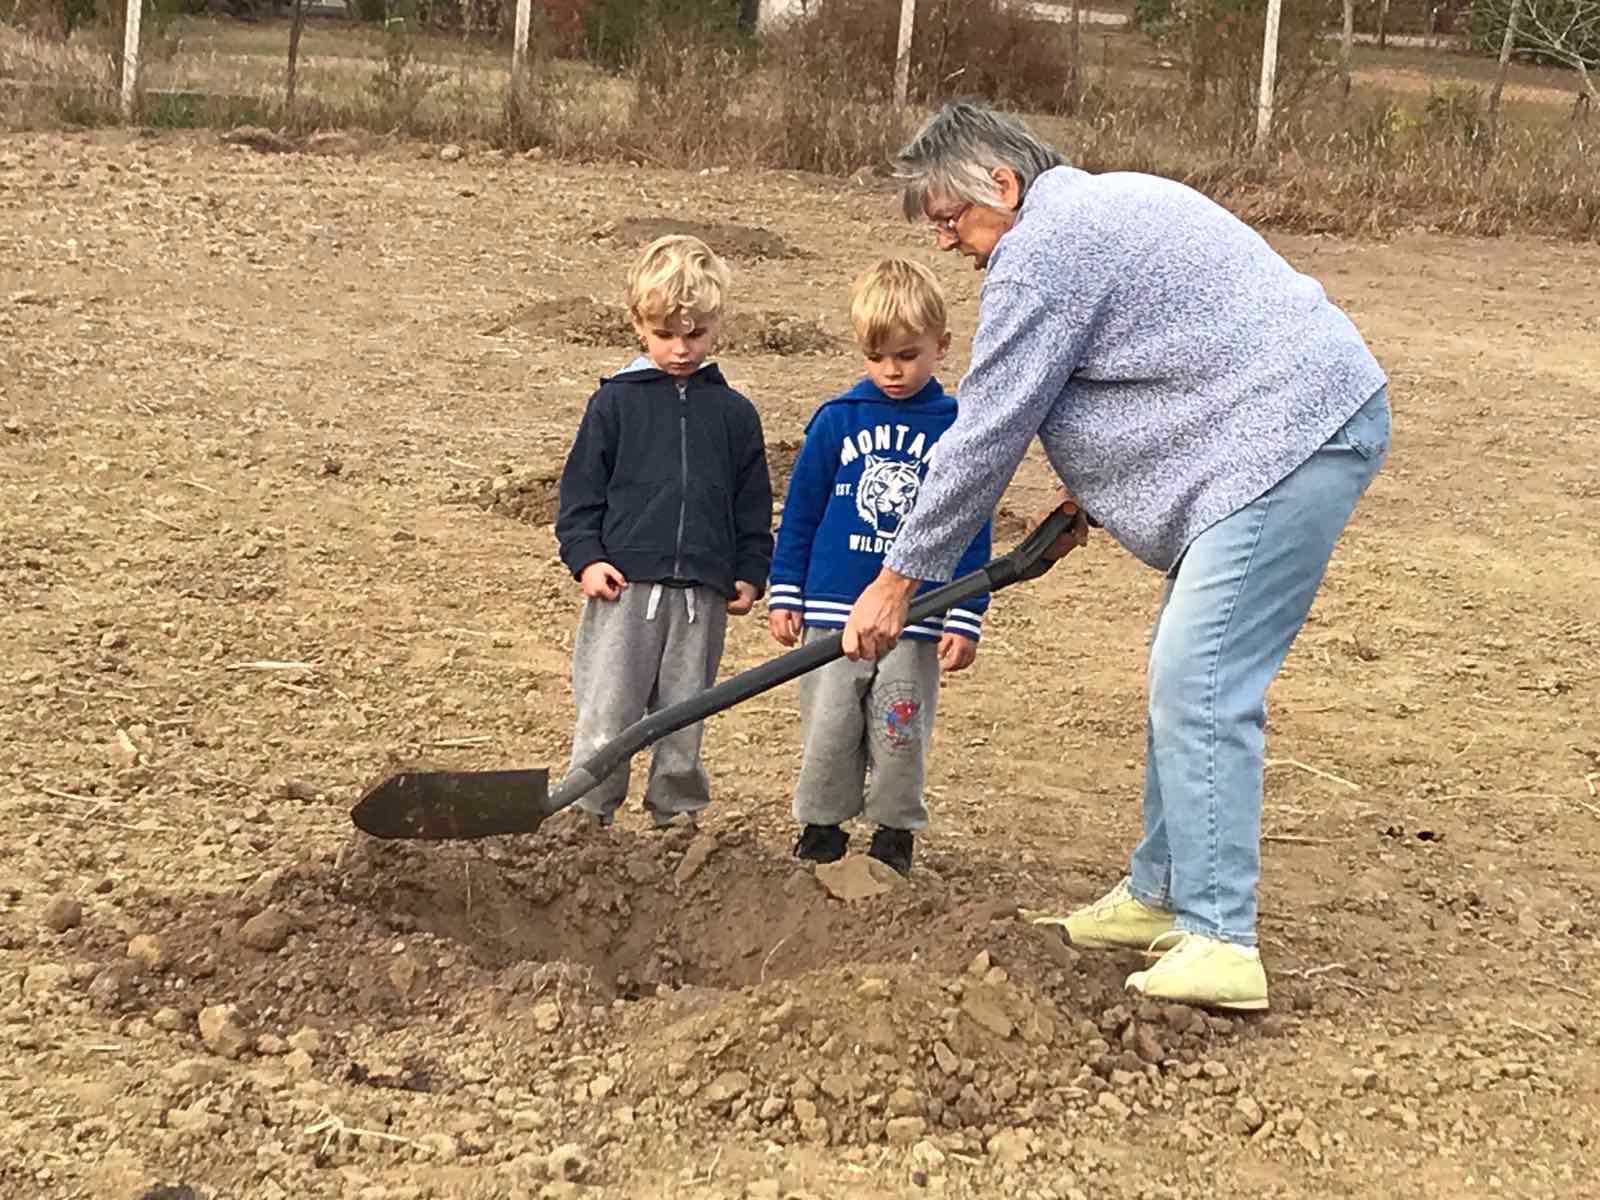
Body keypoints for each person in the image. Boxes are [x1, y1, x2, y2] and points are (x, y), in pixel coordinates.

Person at [840, 104, 1392, 1011]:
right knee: (1187, 672)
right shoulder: (1087, 215)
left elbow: (989, 428)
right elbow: (1172, 359)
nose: (945, 243)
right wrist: (1092, 490)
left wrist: (900, 576)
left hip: (1292, 438)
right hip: (1268, 435)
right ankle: (1160, 894)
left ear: (1002, 186)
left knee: (1202, 680)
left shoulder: (1048, 248)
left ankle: (1221, 938)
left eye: (949, 219)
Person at [768, 258, 992, 876]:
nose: (892, 371)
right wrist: (786, 591)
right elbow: (803, 510)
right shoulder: (837, 419)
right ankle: (821, 827)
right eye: (878, 356)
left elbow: (968, 522)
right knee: (830, 725)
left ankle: (894, 832)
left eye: (907, 355)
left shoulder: (955, 427)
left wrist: (965, 612)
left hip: (916, 617)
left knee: (900, 727)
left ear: (941, 347)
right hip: (832, 612)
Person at [555, 235, 773, 829]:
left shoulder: (734, 415)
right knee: (609, 714)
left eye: (696, 334)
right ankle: (584, 816)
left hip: (701, 598)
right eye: (666, 335)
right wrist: (586, 559)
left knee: (685, 718)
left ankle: (676, 822)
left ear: (716, 326)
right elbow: (579, 497)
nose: (681, 349)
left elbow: (754, 506)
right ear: (638, 325)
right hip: (624, 592)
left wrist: (751, 572)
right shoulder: (613, 405)